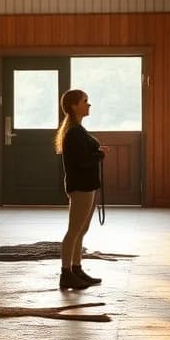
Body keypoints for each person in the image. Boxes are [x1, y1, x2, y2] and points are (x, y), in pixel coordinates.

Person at [54, 89, 108, 290]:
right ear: (75, 106)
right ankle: (66, 273)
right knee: (74, 231)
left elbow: (84, 156)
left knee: (81, 230)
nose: (89, 104)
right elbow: (82, 161)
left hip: (87, 186)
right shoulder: (75, 132)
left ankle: (76, 269)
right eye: (85, 101)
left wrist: (97, 153)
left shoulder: (78, 129)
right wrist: (99, 155)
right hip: (81, 187)